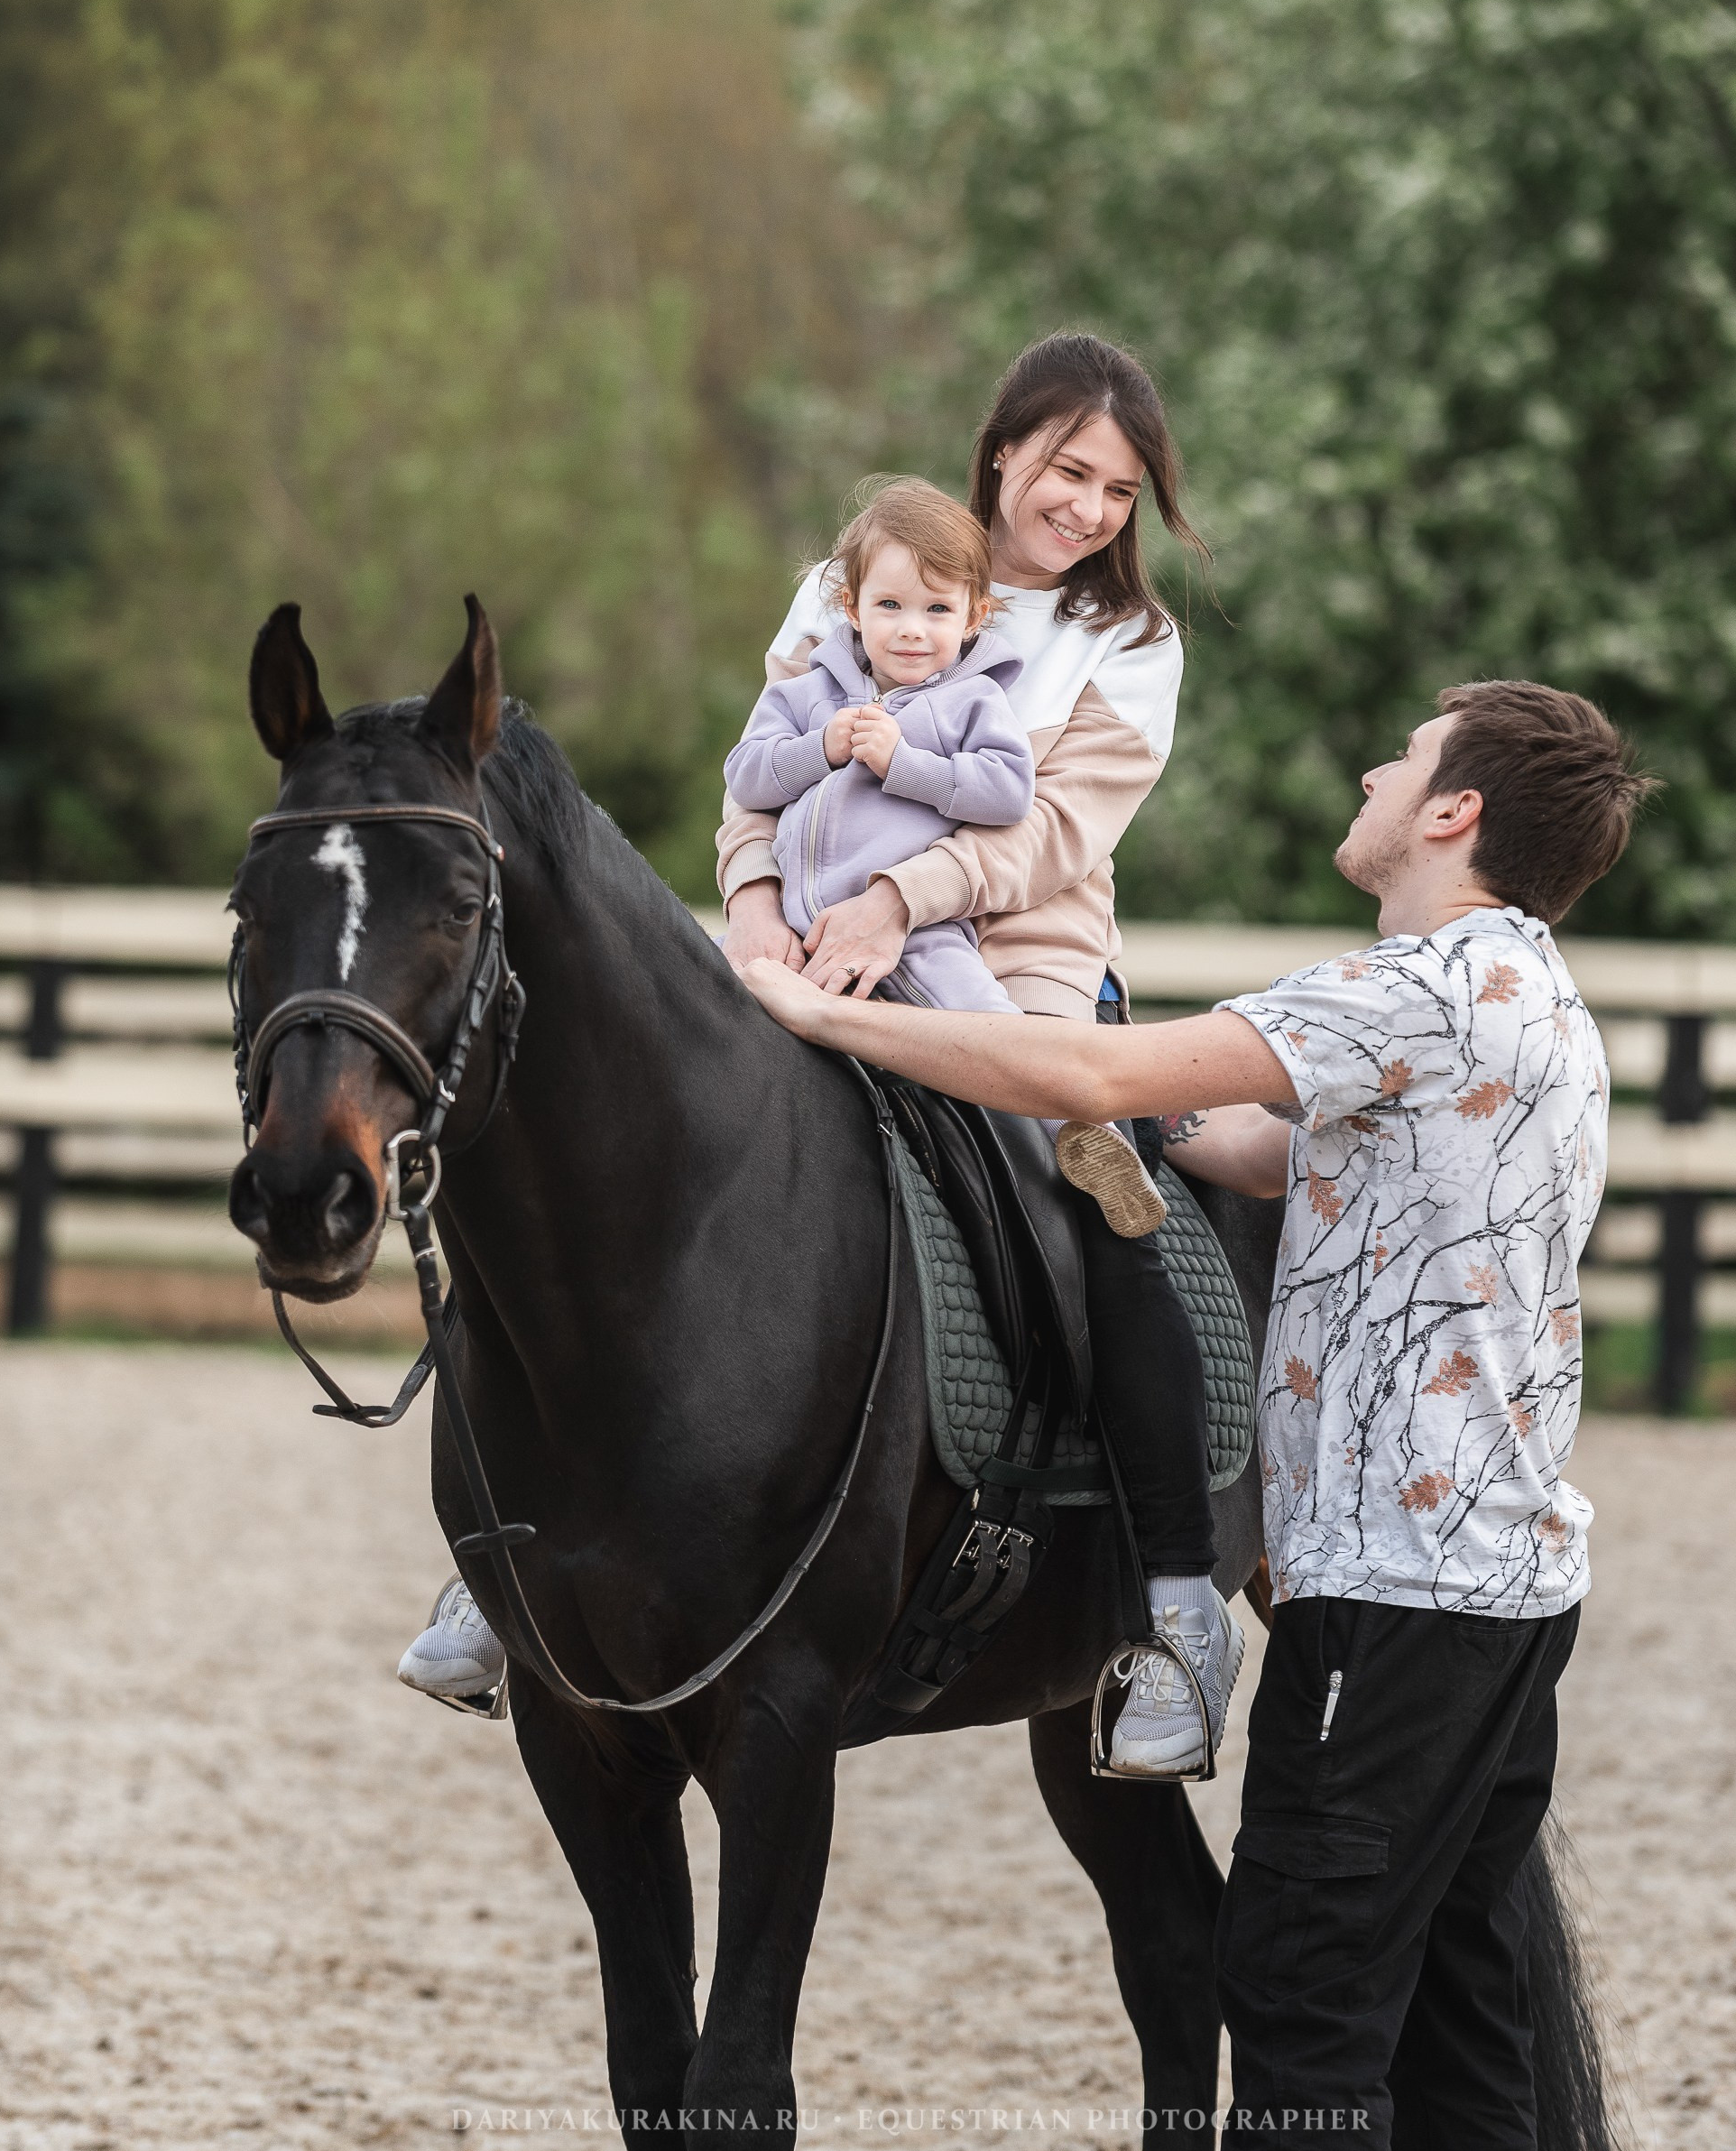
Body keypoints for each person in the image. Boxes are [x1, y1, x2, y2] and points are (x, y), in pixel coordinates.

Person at [738, 678, 1654, 2151]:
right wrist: (1131, 1097)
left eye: (1401, 758)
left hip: (1390, 1593)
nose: (1370, 765)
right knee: (1465, 2011)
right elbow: (1242, 1143)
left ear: (1451, 812)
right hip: (1508, 1594)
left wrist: (818, 1010)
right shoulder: (1527, 1000)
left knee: (1298, 2003)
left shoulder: (1411, 993)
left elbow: (1091, 1074)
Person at [400, 332, 1241, 1778]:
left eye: (1118, 488)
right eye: (1067, 469)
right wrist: (755, 923)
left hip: (1011, 970)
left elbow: (1051, 835)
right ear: (1003, 449)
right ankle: (511, 1566)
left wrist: (889, 904)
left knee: (1092, 1203)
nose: (1090, 506)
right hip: (789, 937)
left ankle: (1171, 1603)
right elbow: (752, 782)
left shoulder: (1127, 646)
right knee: (617, 1165)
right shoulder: (851, 579)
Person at [723, 474, 1164, 1232]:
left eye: (936, 612)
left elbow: (1005, 795)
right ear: (850, 607)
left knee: (985, 1024)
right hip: (798, 929)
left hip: (921, 926)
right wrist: (817, 750)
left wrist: (905, 766)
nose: (911, 630)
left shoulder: (973, 702)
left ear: (971, 621)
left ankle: (1077, 1135)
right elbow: (746, 777)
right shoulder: (805, 697)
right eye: (888, 607)